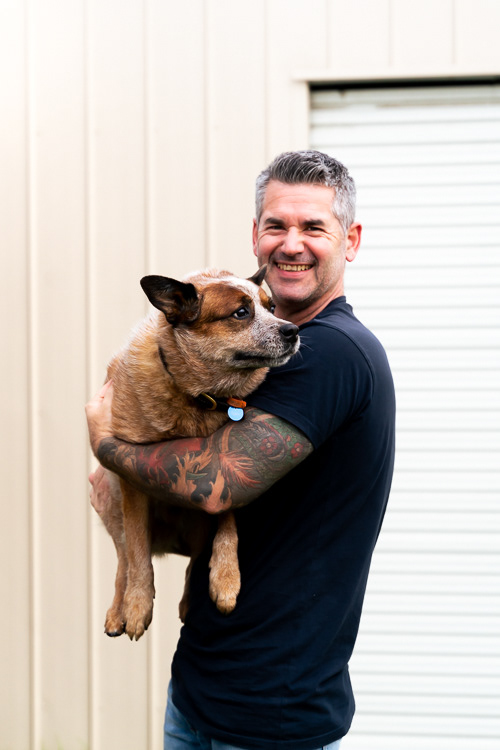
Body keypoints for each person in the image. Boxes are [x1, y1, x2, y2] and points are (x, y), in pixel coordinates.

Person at [86, 150, 396, 750]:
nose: (292, 243)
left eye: (314, 227)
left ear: (351, 240)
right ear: (256, 236)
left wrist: (106, 443)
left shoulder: (331, 353)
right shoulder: (251, 357)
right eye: (277, 225)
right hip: (203, 687)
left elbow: (214, 485)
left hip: (274, 710)